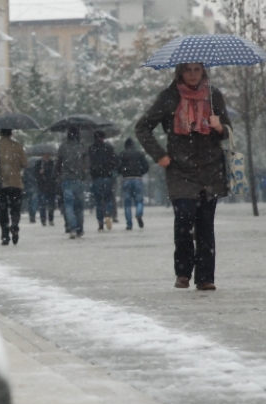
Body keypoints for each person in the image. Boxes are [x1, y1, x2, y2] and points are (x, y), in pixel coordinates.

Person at [135, 62, 232, 291]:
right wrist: (159, 155)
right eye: (187, 70)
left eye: (196, 69)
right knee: (184, 220)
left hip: (210, 169)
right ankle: (183, 272)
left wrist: (220, 127)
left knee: (206, 225)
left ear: (203, 71)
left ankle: (206, 277)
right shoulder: (169, 97)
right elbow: (142, 127)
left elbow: (228, 131)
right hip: (180, 169)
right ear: (179, 72)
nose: (192, 74)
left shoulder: (213, 95)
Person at [0, 129, 28, 245]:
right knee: (16, 207)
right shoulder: (17, 146)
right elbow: (24, 163)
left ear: (0, 133)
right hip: (16, 183)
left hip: (2, 183)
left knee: (2, 209)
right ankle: (14, 225)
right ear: (11, 133)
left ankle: (5, 235)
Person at [57, 127, 88, 239]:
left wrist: (59, 174)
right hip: (79, 179)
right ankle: (80, 229)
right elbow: (86, 164)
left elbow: (58, 164)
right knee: (79, 206)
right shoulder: (82, 147)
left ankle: (72, 229)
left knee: (69, 205)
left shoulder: (63, 148)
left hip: (66, 180)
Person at [88, 130, 118, 232]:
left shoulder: (91, 149)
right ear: (103, 138)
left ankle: (100, 223)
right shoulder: (109, 148)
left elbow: (88, 163)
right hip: (107, 176)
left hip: (96, 178)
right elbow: (115, 161)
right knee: (108, 198)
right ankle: (108, 213)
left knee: (98, 202)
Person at [118, 138, 150, 230]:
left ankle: (129, 224)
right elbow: (146, 166)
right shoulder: (140, 154)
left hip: (126, 179)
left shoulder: (122, 154)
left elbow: (118, 167)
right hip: (137, 178)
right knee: (139, 200)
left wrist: (123, 172)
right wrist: (141, 172)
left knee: (127, 203)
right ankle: (138, 214)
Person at [35, 153, 57, 226]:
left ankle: (51, 218)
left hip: (51, 186)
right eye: (44, 155)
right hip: (41, 186)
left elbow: (55, 173)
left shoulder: (52, 163)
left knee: (51, 204)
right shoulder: (38, 163)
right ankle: (43, 219)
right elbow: (35, 174)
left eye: (47, 155)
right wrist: (39, 173)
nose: (46, 156)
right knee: (42, 204)